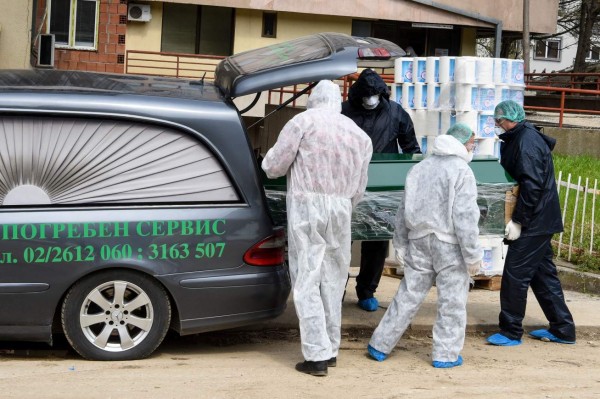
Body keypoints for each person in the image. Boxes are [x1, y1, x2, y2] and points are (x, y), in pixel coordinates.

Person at [262, 80, 373, 376]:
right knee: (334, 279)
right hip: (342, 208)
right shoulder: (359, 135)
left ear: (314, 99)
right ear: (338, 100)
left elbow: (274, 166)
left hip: (307, 207)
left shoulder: (302, 122)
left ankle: (316, 356)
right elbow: (360, 187)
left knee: (308, 277)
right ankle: (330, 347)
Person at [367, 123, 482, 368]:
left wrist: (400, 242)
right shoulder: (461, 171)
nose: (474, 147)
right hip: (449, 245)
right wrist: (472, 254)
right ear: (461, 144)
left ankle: (380, 344)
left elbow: (402, 209)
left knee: (408, 294)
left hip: (419, 241)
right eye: (472, 142)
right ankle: (445, 354)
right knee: (451, 301)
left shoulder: (419, 168)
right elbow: (465, 216)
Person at [486, 100, 576, 346]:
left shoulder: (526, 143)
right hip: (540, 220)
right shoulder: (520, 138)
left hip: (534, 222)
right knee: (543, 276)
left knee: (515, 275)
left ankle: (510, 331)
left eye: (499, 120)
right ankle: (563, 329)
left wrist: (518, 221)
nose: (497, 125)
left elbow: (531, 186)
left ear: (511, 119)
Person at [341, 68, 421, 312]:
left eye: (374, 95)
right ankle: (335, 290)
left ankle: (367, 291)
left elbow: (411, 148)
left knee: (376, 239)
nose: (370, 100)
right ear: (357, 95)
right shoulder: (344, 111)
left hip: (383, 185)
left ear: (381, 94)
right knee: (341, 239)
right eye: (366, 95)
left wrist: (412, 180)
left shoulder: (395, 112)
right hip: (347, 182)